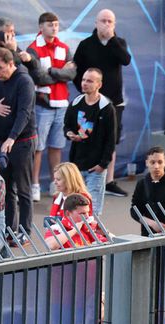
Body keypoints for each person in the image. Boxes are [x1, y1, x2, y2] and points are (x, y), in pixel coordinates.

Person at [72, 9, 132, 196]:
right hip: (90, 102)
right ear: (96, 23)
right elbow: (76, 71)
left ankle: (109, 181)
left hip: (114, 102)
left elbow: (126, 60)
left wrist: (112, 39)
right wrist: (85, 92)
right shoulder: (86, 44)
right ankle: (82, 181)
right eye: (103, 21)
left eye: (110, 21)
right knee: (86, 136)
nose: (106, 24)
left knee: (110, 140)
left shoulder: (119, 43)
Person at [0, 48, 38, 243]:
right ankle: (9, 229)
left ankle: (25, 231)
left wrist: (12, 138)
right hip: (0, 140)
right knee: (6, 189)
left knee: (23, 189)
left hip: (22, 142)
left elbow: (24, 113)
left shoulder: (24, 81)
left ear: (11, 63)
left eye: (0, 68)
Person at [27, 12, 77, 201]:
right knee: (38, 148)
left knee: (56, 146)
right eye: (50, 24)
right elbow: (38, 77)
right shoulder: (33, 49)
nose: (54, 27)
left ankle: (56, 185)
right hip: (42, 106)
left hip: (61, 104)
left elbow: (71, 74)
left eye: (56, 24)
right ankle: (35, 185)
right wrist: (60, 73)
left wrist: (51, 71)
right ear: (41, 27)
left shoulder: (64, 48)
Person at [64, 68, 118, 215]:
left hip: (96, 167)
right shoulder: (76, 103)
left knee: (92, 211)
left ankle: (95, 238)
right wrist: (69, 133)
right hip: (77, 165)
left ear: (99, 84)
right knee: (76, 210)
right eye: (83, 80)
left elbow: (111, 139)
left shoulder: (107, 108)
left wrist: (102, 165)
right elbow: (67, 125)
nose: (84, 84)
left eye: (89, 81)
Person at [44, 193, 109, 250]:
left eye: (88, 212)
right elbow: (50, 245)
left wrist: (105, 233)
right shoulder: (58, 228)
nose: (87, 217)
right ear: (68, 214)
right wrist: (74, 230)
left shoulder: (87, 228)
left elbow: (115, 243)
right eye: (82, 213)